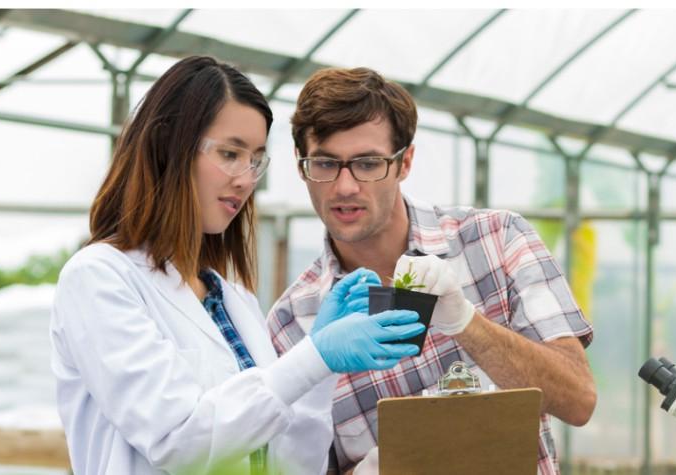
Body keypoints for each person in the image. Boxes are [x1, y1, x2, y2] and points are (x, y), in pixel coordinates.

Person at [49, 56, 424, 474]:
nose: (246, 179)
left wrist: (318, 380)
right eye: (230, 153)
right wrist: (315, 356)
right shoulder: (99, 278)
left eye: (255, 160)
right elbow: (179, 443)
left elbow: (291, 466)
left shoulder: (235, 300)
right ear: (166, 146)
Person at [267, 67, 597, 474]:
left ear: (405, 162)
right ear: (302, 166)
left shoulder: (496, 241)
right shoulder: (291, 324)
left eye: (368, 164)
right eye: (325, 163)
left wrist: (467, 325)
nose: (345, 186)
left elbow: (578, 399)